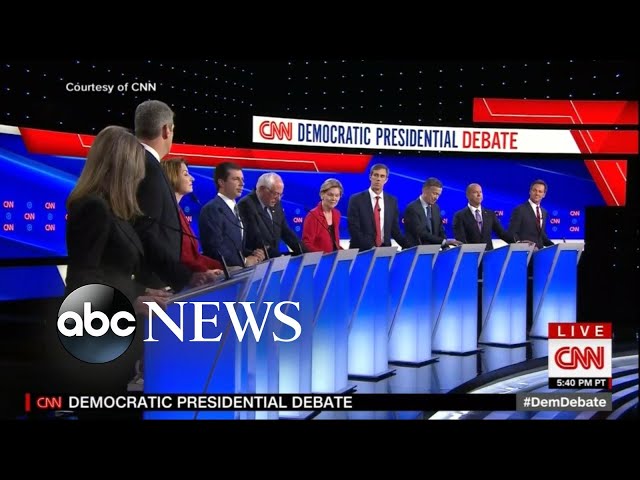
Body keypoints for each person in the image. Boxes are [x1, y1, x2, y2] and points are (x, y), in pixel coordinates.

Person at [63, 126, 215, 401]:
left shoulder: (116, 209)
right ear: (121, 166)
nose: (140, 174)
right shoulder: (93, 207)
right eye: (136, 166)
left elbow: (113, 272)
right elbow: (82, 280)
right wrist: (132, 300)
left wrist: (143, 292)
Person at [132, 100, 183, 288]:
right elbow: (146, 232)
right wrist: (183, 277)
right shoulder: (149, 168)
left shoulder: (139, 161)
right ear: (166, 130)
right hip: (154, 284)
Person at [160, 158, 225, 274]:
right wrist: (205, 272)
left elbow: (195, 257)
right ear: (171, 176)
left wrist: (225, 268)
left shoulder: (178, 212)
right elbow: (183, 259)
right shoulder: (166, 215)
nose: (192, 178)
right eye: (186, 174)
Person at [199, 162, 265, 268]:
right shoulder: (212, 209)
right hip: (222, 272)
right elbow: (215, 249)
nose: (242, 184)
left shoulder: (236, 208)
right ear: (221, 182)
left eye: (242, 179)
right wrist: (244, 261)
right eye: (236, 179)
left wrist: (253, 254)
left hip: (239, 271)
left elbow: (236, 247)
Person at [237, 172, 305, 258]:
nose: (278, 198)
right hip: (258, 260)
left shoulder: (276, 204)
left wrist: (306, 253)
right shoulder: (246, 205)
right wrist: (279, 256)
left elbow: (286, 232)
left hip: (274, 259)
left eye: (280, 195)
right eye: (275, 193)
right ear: (262, 189)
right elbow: (257, 239)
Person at [347, 164, 408, 251]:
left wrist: (409, 246)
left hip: (384, 251)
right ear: (370, 177)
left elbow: (395, 230)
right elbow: (354, 229)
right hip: (362, 251)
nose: (378, 179)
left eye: (382, 176)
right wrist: (372, 249)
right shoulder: (356, 199)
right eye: (376, 175)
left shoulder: (392, 201)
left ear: (386, 180)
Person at [453, 183, 514, 251]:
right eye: (475, 192)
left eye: (480, 192)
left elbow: (501, 233)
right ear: (468, 195)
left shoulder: (490, 214)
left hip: (488, 254)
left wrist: (517, 242)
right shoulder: (460, 216)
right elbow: (461, 240)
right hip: (471, 255)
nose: (479, 195)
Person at [404, 177, 462, 248]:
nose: (436, 198)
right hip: (416, 250)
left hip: (434, 251)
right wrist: (444, 242)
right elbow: (420, 233)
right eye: (434, 193)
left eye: (438, 195)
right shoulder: (412, 208)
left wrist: (445, 247)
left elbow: (440, 230)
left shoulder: (436, 208)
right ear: (425, 191)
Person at [508, 179, 555, 250]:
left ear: (544, 195)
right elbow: (512, 234)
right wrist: (524, 247)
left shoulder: (544, 212)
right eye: (534, 190)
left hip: (539, 253)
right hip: (524, 253)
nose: (537, 193)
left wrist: (555, 246)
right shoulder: (520, 210)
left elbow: (542, 236)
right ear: (530, 191)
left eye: (540, 191)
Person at [302, 178, 344, 253]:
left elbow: (334, 243)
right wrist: (324, 255)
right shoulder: (312, 216)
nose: (334, 198)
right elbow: (306, 244)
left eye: (337, 195)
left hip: (334, 257)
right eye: (330, 195)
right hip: (319, 258)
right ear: (322, 195)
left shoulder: (336, 214)